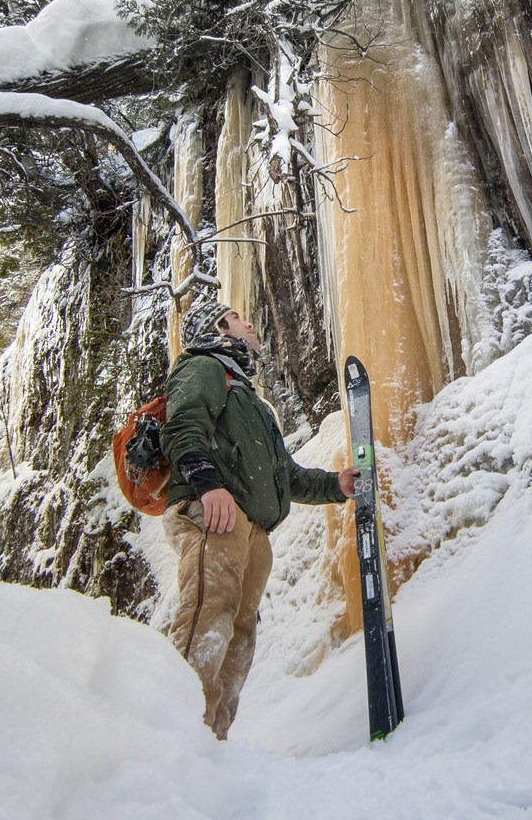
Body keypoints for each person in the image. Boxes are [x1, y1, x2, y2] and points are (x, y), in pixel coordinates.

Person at [161, 297, 356, 739]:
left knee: (239, 631)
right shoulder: (202, 369)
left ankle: (213, 740)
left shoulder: (248, 398)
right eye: (235, 318)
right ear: (216, 330)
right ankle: (175, 737)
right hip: (214, 513)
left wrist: (334, 486)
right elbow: (184, 425)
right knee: (209, 613)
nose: (247, 323)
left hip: (250, 528)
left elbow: (285, 474)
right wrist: (208, 483)